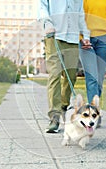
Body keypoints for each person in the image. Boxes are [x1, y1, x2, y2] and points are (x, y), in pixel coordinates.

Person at [39, 0, 91, 133]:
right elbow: (42, 9)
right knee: (55, 74)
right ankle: (54, 117)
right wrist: (48, 23)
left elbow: (80, 15)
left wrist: (85, 36)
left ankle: (63, 106)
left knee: (71, 76)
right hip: (54, 36)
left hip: (72, 38)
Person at [79, 0, 106, 127]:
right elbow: (78, 16)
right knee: (92, 77)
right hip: (86, 38)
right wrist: (81, 38)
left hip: (105, 39)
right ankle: (93, 114)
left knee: (99, 79)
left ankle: (94, 112)